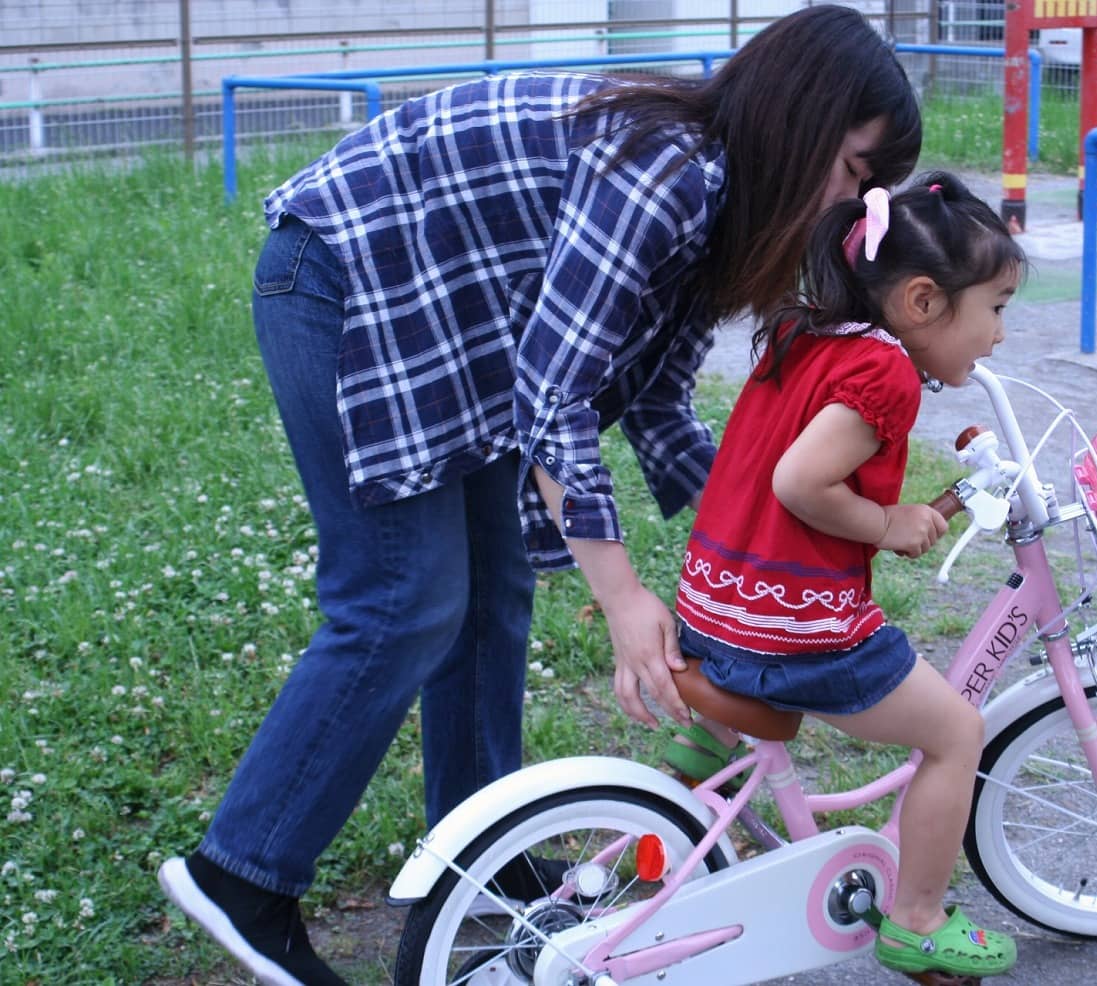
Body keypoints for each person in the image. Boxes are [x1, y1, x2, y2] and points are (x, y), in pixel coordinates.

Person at [155, 6, 921, 983]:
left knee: (492, 591)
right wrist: (622, 597)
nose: (843, 202)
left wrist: (760, 547)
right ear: (803, 119)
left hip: (453, 324)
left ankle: (488, 860)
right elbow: (555, 389)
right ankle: (242, 876)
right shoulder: (666, 166)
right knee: (403, 598)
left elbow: (654, 405)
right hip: (348, 279)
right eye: (853, 170)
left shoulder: (714, 211)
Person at [666, 172, 1025, 979]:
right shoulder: (885, 371)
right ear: (924, 302)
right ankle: (920, 919)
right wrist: (887, 523)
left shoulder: (806, 333)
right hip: (788, 630)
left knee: (761, 660)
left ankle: (679, 787)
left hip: (713, 604)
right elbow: (801, 482)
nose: (999, 336)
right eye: (996, 310)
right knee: (957, 733)